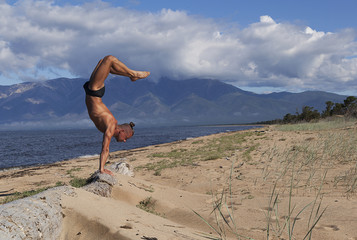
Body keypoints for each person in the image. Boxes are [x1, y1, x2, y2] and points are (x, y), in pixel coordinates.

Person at [84, 55, 150, 175]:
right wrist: (101, 169)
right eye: (126, 138)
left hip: (92, 90)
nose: (124, 141)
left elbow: (105, 148)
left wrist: (102, 168)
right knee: (109, 59)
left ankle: (132, 76)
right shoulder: (111, 126)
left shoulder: (111, 126)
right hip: (94, 90)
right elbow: (105, 149)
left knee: (105, 63)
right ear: (122, 132)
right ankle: (134, 75)